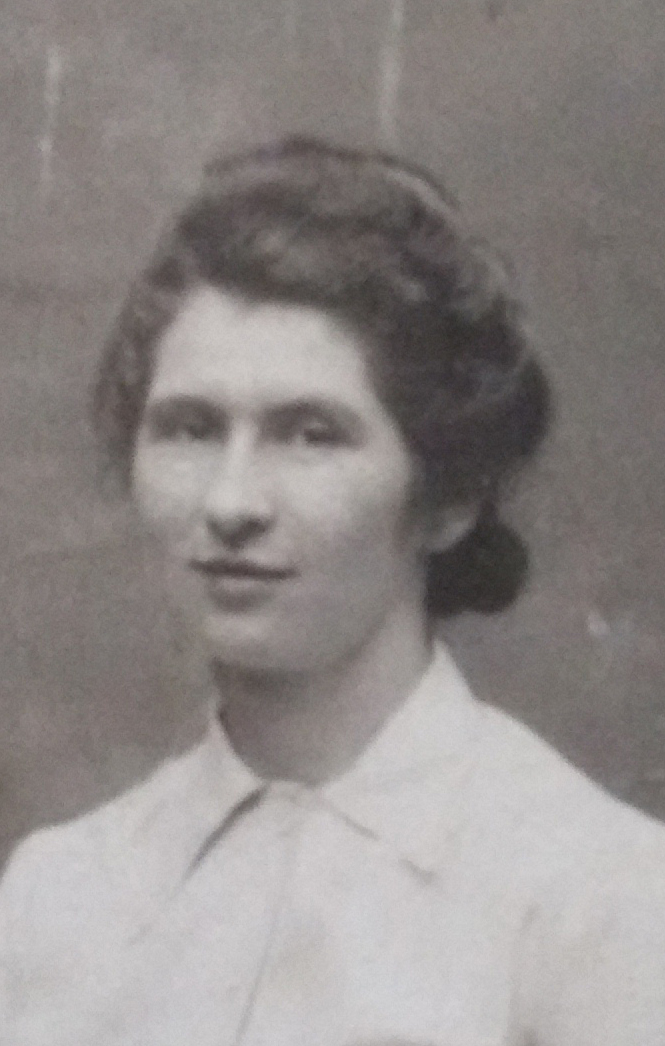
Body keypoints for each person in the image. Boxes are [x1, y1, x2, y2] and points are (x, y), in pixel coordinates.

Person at [1, 135, 664, 1046]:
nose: (231, 502)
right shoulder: (57, 895)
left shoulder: (598, 902)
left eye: (310, 434)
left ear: (448, 495)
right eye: (189, 428)